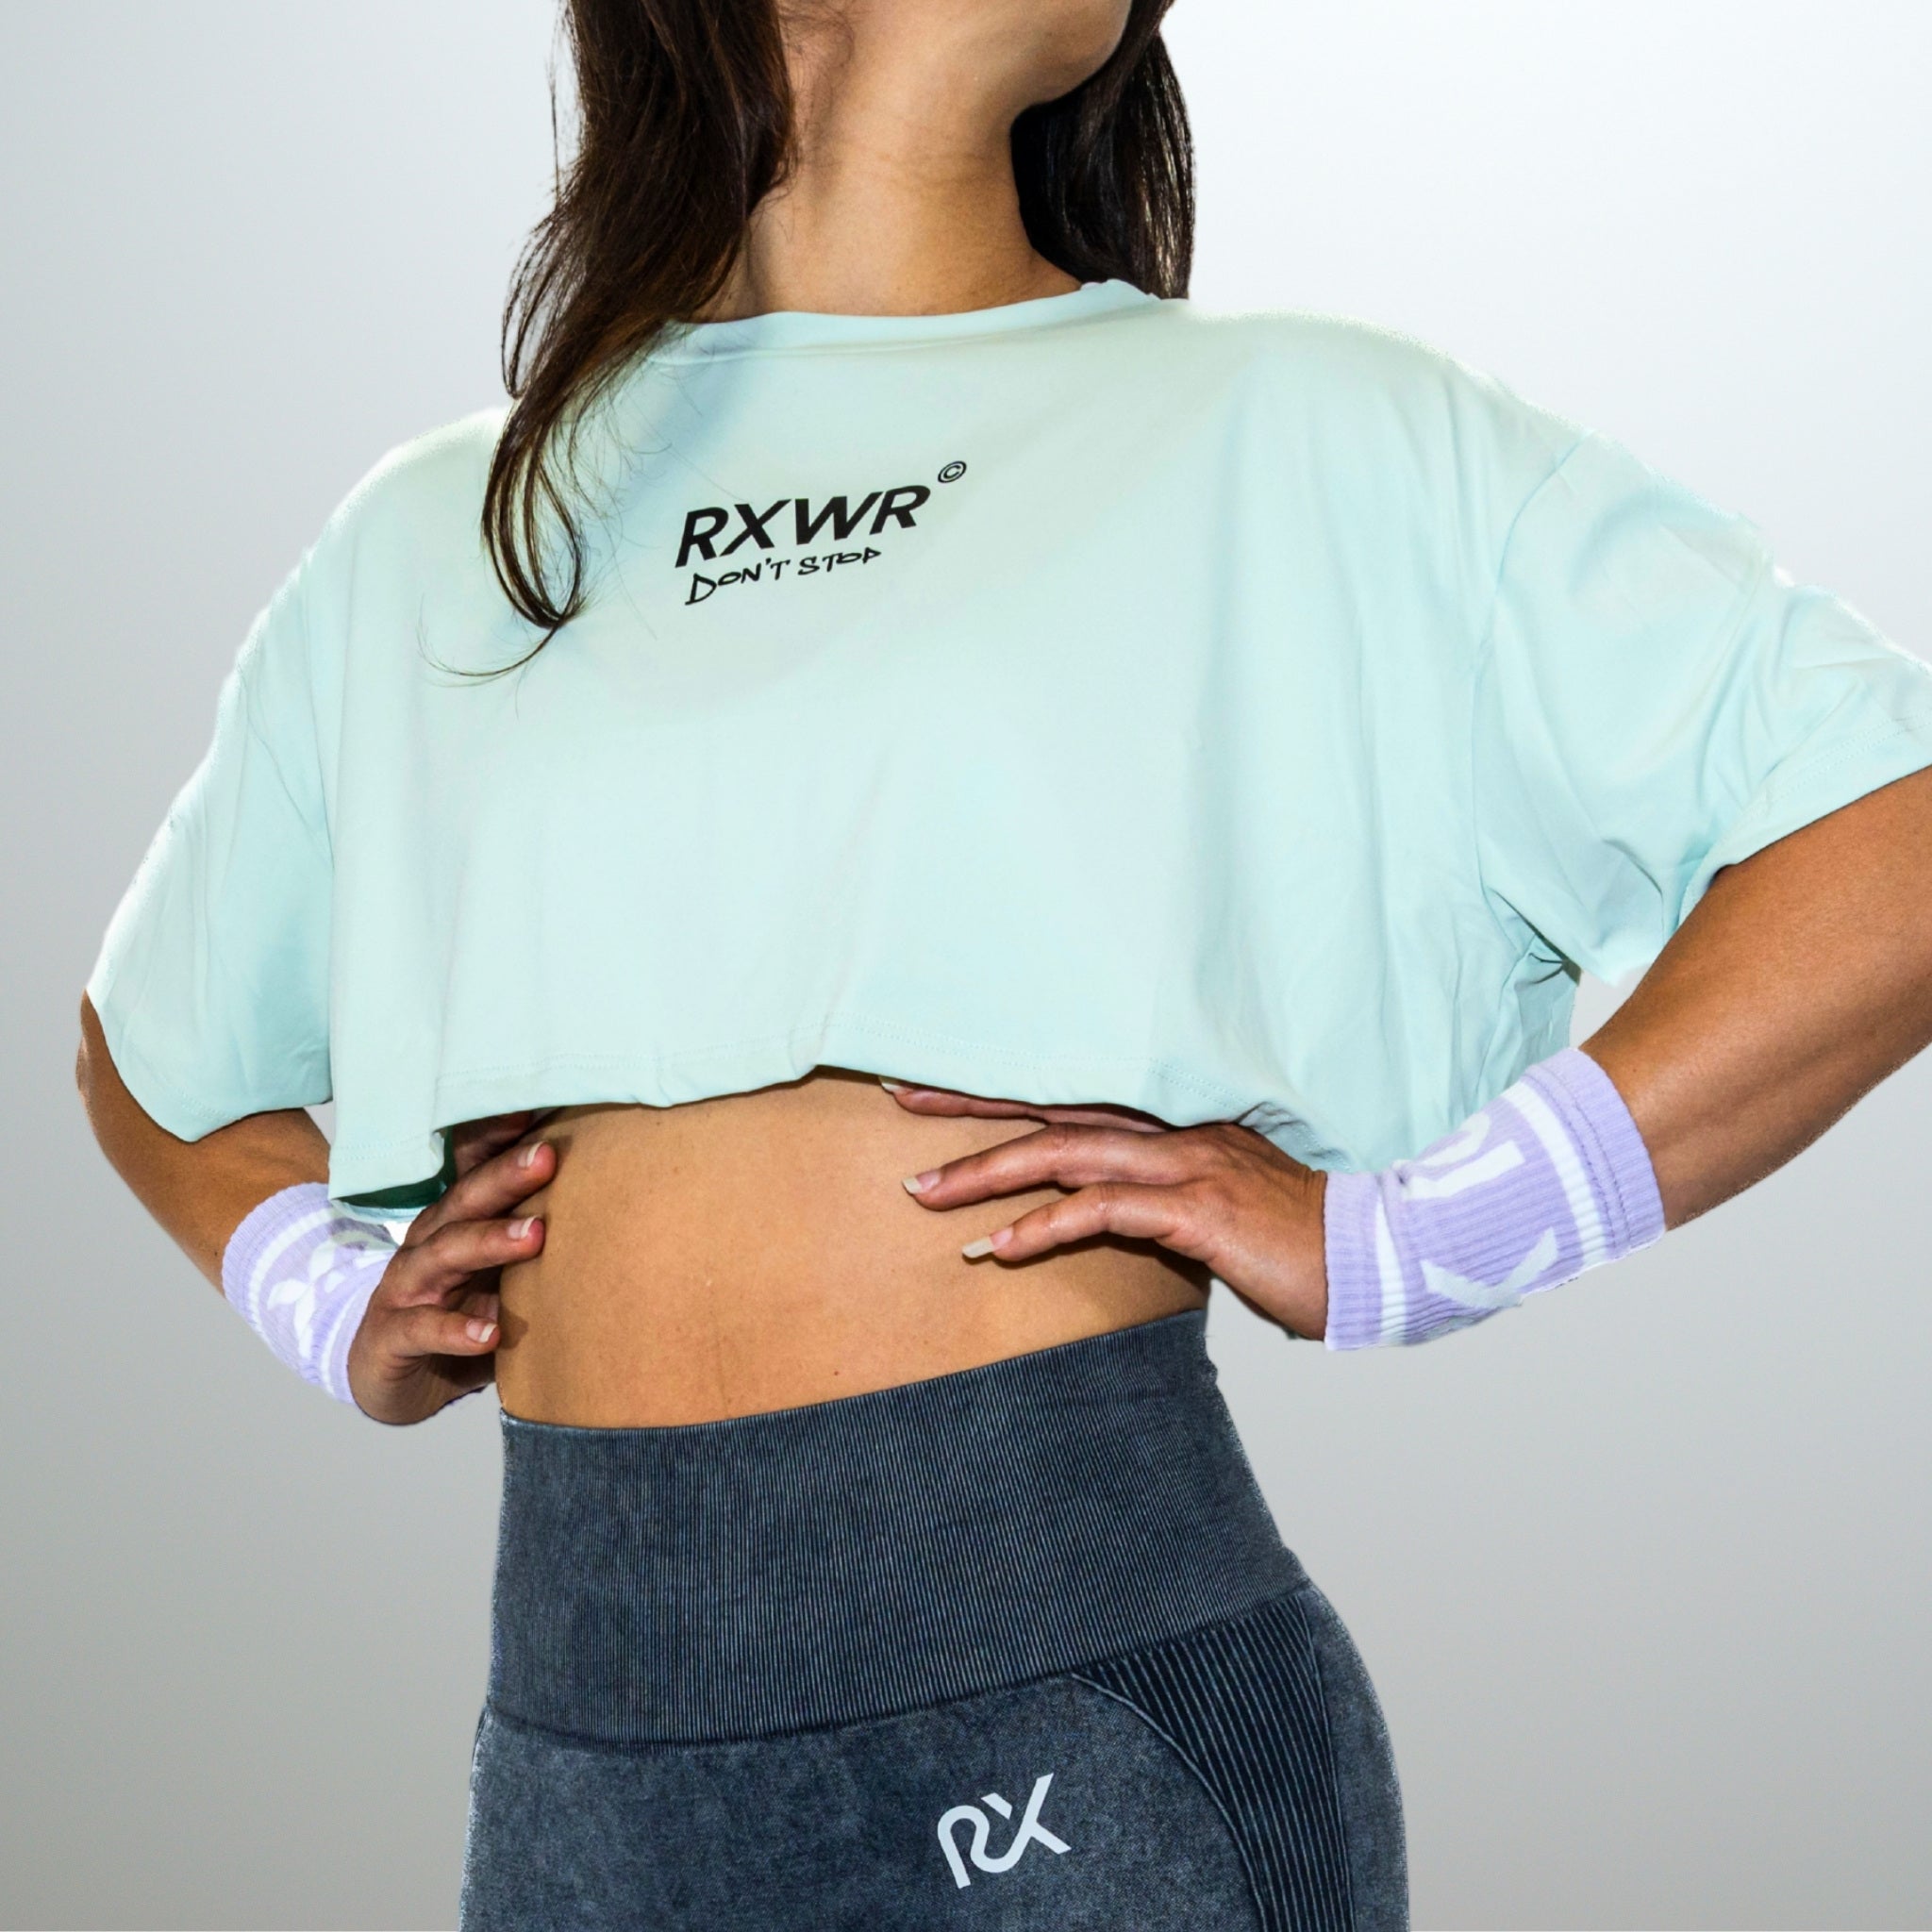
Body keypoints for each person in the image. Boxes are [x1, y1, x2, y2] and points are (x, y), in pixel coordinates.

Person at [73, 0, 1932, 1925]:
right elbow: (154, 1056)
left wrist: (1430, 1234)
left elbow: (1892, 830)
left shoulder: (1303, 428)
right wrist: (322, 1296)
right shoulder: (456, 532)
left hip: (1077, 1709)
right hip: (584, 1768)